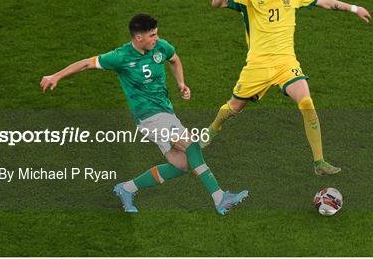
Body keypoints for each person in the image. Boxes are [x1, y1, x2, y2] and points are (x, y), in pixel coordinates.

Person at [40, 13, 248, 215]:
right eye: (152, 35)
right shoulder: (120, 57)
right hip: (149, 116)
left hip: (166, 112)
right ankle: (220, 198)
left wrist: (181, 83)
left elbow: (174, 59)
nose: (156, 39)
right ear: (138, 37)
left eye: (156, 34)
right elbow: (86, 63)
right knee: (191, 145)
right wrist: (56, 75)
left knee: (182, 163)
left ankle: (127, 188)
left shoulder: (160, 47)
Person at [202, 0, 372, 176]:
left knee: (307, 102)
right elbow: (216, 4)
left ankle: (319, 162)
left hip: (286, 63)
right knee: (234, 108)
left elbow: (324, 2)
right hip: (258, 66)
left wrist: (354, 8)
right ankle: (212, 129)